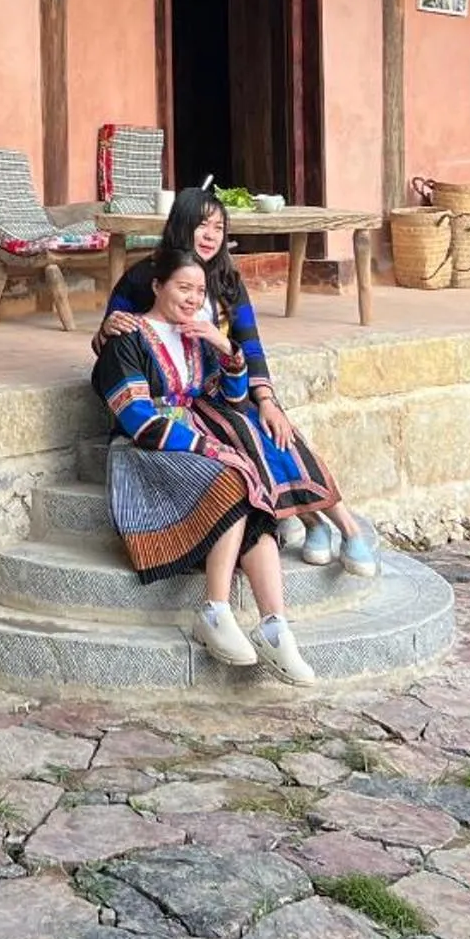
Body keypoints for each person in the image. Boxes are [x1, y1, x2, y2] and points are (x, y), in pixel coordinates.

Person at [95, 186, 379, 576]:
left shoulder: (227, 280)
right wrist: (105, 329)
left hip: (224, 387)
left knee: (270, 426)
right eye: (201, 226)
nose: (210, 235)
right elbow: (115, 345)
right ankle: (310, 521)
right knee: (243, 433)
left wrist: (267, 400)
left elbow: (249, 343)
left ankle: (340, 527)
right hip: (176, 400)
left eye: (218, 227)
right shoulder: (145, 277)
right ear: (181, 227)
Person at [87, 245, 316, 682]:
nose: (192, 298)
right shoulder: (127, 338)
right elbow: (138, 419)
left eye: (199, 290)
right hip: (148, 455)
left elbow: (231, 398)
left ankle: (275, 628)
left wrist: (225, 348)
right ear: (157, 286)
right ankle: (214, 609)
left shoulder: (195, 335)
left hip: (196, 442)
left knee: (252, 500)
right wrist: (212, 449)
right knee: (234, 479)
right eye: (183, 287)